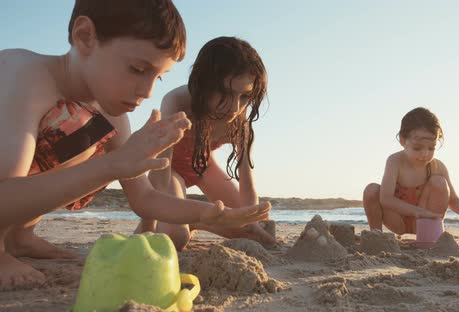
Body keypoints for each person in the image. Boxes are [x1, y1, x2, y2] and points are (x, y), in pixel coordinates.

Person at [0, 0, 269, 291]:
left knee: (86, 132)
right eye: (138, 69)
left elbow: (145, 198)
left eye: (159, 77)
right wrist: (113, 165)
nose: (148, 91)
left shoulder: (110, 116)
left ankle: (20, 235)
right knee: (80, 135)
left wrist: (205, 214)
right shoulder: (23, 73)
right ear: (85, 36)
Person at [136, 37, 276, 250]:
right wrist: (156, 217)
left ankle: (196, 222)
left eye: (245, 96)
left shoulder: (240, 123)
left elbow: (247, 185)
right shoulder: (177, 103)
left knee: (247, 228)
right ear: (204, 83)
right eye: (225, 93)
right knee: (176, 237)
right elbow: (160, 176)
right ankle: (192, 221)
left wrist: (252, 224)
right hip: (169, 171)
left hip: (202, 166)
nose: (234, 107)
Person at [362, 107, 459, 235]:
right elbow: (386, 198)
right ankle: (376, 236)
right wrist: (416, 211)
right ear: (402, 140)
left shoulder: (437, 167)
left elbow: (453, 201)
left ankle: (429, 236)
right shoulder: (395, 161)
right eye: (417, 148)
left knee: (439, 182)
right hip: (397, 220)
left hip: (424, 222)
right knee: (371, 190)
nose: (425, 154)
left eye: (431, 148)